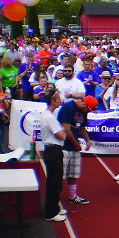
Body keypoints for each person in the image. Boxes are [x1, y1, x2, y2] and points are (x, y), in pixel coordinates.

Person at [57, 95, 97, 205]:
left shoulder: (83, 111)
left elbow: (82, 128)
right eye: (87, 110)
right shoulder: (69, 107)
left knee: (73, 173)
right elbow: (66, 129)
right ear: (84, 104)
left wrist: (87, 140)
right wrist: (76, 144)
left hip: (74, 146)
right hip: (64, 145)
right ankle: (55, 199)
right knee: (60, 173)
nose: (87, 112)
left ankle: (72, 196)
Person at [40, 91, 68, 222]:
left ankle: (54, 207)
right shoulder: (49, 117)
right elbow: (61, 135)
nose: (60, 100)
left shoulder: (48, 115)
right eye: (58, 99)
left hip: (52, 150)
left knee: (55, 181)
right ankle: (51, 212)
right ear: (53, 101)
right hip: (53, 150)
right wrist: (64, 132)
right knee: (54, 182)